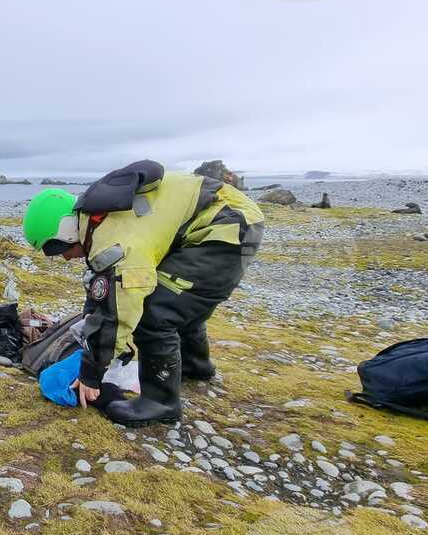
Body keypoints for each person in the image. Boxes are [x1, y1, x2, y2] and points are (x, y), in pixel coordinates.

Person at [22, 160, 264, 426]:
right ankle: (196, 365)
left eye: (56, 249)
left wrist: (91, 374)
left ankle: (160, 402)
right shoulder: (99, 217)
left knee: (156, 313)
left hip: (225, 226)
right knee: (177, 298)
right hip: (224, 216)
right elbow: (103, 298)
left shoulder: (114, 240)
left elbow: (120, 309)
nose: (65, 258)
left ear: (66, 230)